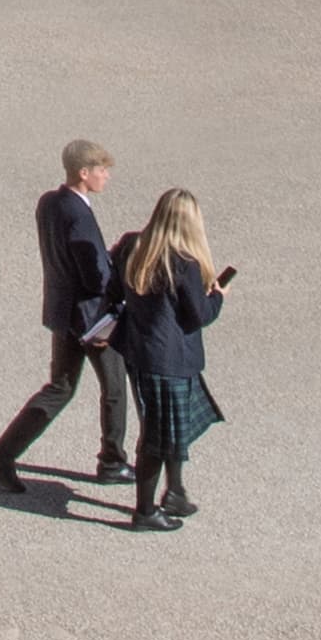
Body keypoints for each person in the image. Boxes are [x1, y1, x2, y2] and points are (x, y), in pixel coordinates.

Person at [0, 141, 128, 496]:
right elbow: (95, 277)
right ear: (83, 173)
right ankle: (112, 461)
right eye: (101, 170)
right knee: (114, 388)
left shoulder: (50, 203)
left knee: (60, 388)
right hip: (92, 318)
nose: (106, 176)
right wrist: (118, 273)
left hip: (63, 312)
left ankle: (5, 451)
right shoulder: (79, 215)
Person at [106, 186, 232, 529]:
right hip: (169, 360)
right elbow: (199, 315)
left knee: (167, 428)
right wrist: (218, 296)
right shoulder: (183, 263)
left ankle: (175, 491)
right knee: (158, 437)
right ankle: (145, 511)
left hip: (141, 352)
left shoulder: (133, 246)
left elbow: (113, 291)